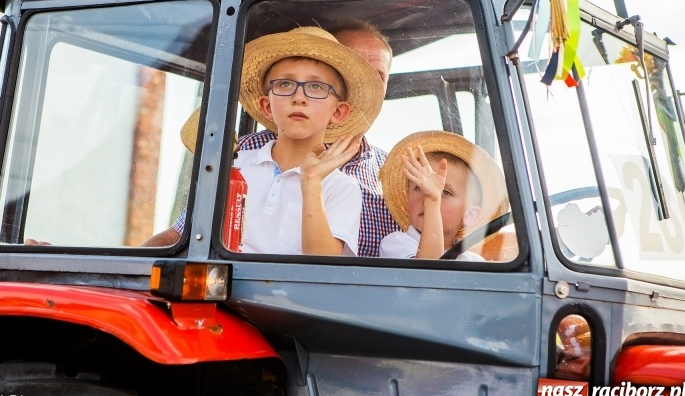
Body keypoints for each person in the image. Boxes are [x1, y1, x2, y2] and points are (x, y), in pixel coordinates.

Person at [150, 20, 400, 254]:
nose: (299, 97)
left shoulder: (396, 177)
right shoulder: (238, 157)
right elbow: (187, 234)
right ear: (267, 104)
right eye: (286, 84)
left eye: (316, 86)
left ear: (340, 107)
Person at [378, 130, 508, 261]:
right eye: (419, 187)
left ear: (469, 215)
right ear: (407, 199)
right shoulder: (397, 243)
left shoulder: (475, 262)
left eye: (445, 192)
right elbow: (429, 272)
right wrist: (432, 201)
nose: (426, 196)